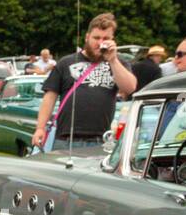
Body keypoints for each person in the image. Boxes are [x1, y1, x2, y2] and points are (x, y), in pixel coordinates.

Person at [31, 12, 136, 154]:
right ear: (87, 37)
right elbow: (49, 97)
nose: (100, 43)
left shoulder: (119, 62)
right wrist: (40, 128)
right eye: (96, 38)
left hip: (101, 140)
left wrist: (113, 60)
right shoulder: (66, 62)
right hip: (65, 139)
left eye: (106, 38)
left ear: (112, 40)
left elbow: (130, 88)